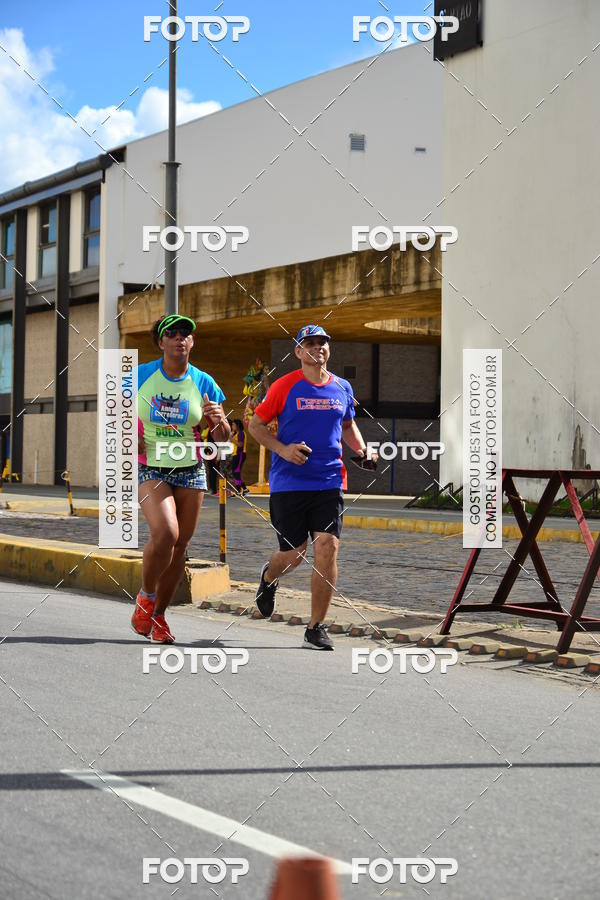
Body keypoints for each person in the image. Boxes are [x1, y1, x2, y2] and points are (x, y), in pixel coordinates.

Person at [248, 324, 372, 650]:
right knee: (294, 554)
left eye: (323, 343)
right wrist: (283, 449)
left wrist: (361, 449)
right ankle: (268, 577)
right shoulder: (283, 386)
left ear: (328, 350)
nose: (318, 347)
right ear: (299, 352)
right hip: (289, 483)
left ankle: (315, 628)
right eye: (310, 343)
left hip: (329, 480)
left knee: (327, 547)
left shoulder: (342, 388)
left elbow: (347, 425)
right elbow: (256, 425)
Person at [131, 313, 230, 643]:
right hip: (152, 465)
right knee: (166, 533)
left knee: (180, 546)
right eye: (171, 334)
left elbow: (223, 438)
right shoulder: (142, 376)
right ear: (161, 342)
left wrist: (218, 421)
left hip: (190, 467)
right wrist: (130, 436)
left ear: (192, 342)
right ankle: (146, 596)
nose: (179, 338)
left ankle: (159, 616)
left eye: (185, 334)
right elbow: (115, 417)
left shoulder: (204, 382)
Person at [231, 418, 248, 494]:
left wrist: (232, 439)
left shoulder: (241, 433)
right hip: (235, 455)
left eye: (233, 425)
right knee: (235, 473)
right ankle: (239, 490)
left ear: (237, 425)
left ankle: (243, 489)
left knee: (236, 472)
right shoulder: (236, 433)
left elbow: (240, 444)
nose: (232, 426)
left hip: (240, 454)